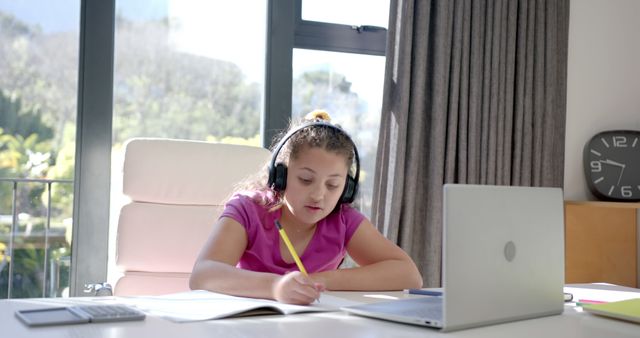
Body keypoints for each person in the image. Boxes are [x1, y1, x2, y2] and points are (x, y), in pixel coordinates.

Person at [189, 110, 423, 305]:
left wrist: (320, 280)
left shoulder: (343, 220)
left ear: (347, 189)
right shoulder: (248, 209)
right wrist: (276, 287)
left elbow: (409, 275)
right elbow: (203, 274)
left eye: (333, 184)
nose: (319, 195)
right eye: (305, 180)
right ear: (280, 176)